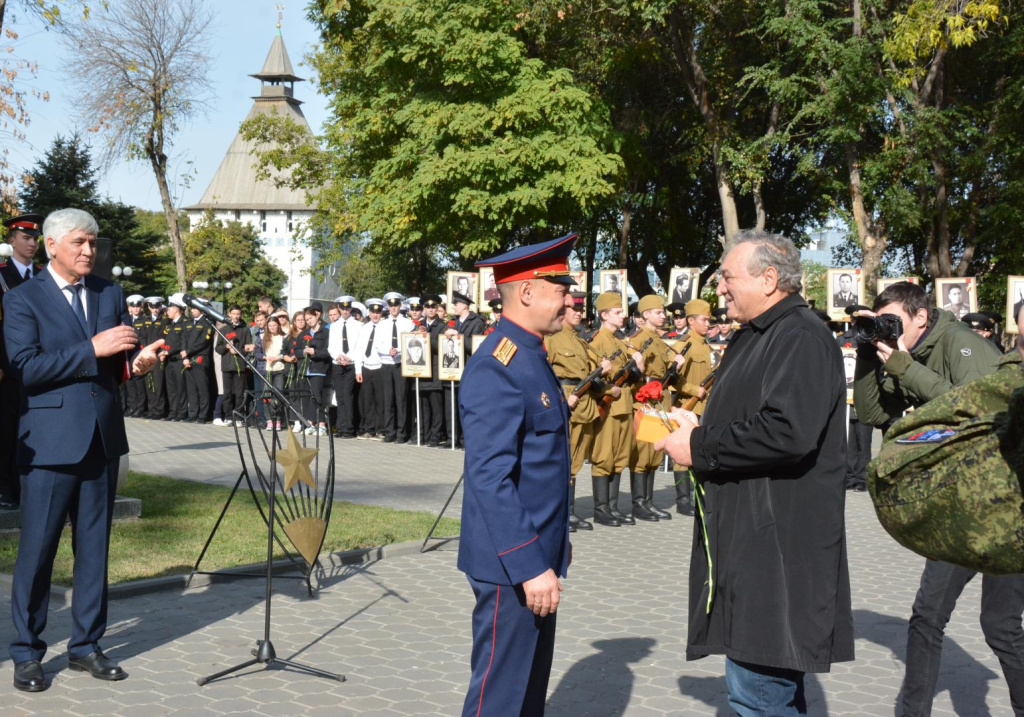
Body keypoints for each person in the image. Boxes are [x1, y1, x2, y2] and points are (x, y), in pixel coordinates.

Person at [657, 230, 854, 714]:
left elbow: (788, 431)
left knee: (759, 697)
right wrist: (700, 425)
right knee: (763, 691)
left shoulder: (800, 335)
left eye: (727, 277)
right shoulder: (761, 334)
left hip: (778, 549)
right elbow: (758, 415)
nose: (720, 289)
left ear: (769, 279)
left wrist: (700, 445)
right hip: (754, 540)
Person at [4, 208, 162, 692]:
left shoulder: (108, 292)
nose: (89, 252)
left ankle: (86, 646)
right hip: (50, 444)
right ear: (51, 245)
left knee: (94, 549)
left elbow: (111, 366)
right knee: (38, 551)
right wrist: (92, 348)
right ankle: (28, 652)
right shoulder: (22, 299)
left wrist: (136, 364)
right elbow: (26, 369)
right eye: (78, 243)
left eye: (93, 243)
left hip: (100, 438)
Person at [851, 281, 1020, 717]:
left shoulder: (964, 345)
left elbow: (980, 413)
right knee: (927, 618)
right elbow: (871, 415)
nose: (888, 329)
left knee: (1000, 628)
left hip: (998, 504)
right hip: (958, 505)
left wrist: (905, 367)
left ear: (921, 317)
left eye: (893, 321)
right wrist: (869, 354)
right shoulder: (900, 350)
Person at [458, 232, 577, 716]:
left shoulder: (531, 354)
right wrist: (530, 565)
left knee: (527, 694)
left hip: (536, 558)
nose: (569, 298)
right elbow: (490, 477)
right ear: (527, 291)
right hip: (512, 565)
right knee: (500, 697)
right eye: (561, 288)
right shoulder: (498, 364)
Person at [547, 290, 611, 532]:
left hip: (584, 404)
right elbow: (546, 372)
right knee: (563, 460)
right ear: (562, 310)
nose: (578, 313)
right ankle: (561, 513)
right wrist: (562, 398)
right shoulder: (552, 338)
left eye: (581, 309)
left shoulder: (579, 339)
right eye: (574, 308)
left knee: (574, 462)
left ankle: (570, 511)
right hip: (568, 401)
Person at [0, 213, 46, 511]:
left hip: (41, 366)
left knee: (37, 428)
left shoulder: (44, 275)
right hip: (7, 367)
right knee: (6, 428)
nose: (31, 243)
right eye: (26, 238)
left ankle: (30, 487)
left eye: (35, 239)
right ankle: (5, 488)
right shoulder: (1, 275)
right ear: (12, 240)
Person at [588, 292, 645, 527]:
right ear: (604, 315)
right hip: (608, 406)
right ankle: (601, 508)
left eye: (622, 312)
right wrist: (607, 389)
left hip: (624, 405)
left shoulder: (620, 342)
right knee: (604, 456)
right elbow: (592, 379)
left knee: (620, 456)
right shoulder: (597, 341)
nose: (622, 316)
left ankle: (612, 506)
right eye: (617, 312)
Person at [627, 294, 684, 522]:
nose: (663, 316)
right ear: (646, 314)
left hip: (659, 398)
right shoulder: (638, 340)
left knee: (654, 454)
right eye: (658, 312)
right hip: (645, 399)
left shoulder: (660, 340)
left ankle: (648, 502)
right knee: (643, 454)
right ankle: (639, 503)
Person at [669, 299, 713, 516]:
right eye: (704, 320)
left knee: (698, 452)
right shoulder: (683, 345)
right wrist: (695, 391)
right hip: (686, 406)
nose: (708, 324)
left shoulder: (706, 346)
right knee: (682, 453)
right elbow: (672, 379)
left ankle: (696, 496)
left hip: (704, 407)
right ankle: (682, 499)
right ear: (691, 321)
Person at [380, 291, 415, 443]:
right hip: (387, 363)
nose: (393, 308)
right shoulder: (382, 324)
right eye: (391, 305)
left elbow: (411, 343)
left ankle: (402, 433)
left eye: (396, 305)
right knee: (388, 399)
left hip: (401, 363)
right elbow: (378, 345)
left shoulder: (408, 323)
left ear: (400, 306)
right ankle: (389, 432)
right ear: (388, 307)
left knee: (401, 399)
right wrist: (388, 350)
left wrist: (398, 350)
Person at [327, 295, 361, 439]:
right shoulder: (334, 326)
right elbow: (331, 347)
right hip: (338, 364)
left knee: (348, 395)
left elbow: (359, 347)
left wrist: (350, 357)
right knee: (340, 396)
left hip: (351, 364)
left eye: (348, 308)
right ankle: (340, 427)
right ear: (339, 309)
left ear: (351, 308)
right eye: (343, 308)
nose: (345, 311)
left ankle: (349, 428)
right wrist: (338, 356)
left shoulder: (358, 325)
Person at [355, 298, 386, 439]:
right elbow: (359, 350)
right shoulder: (364, 328)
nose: (375, 315)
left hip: (380, 366)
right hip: (366, 366)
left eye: (378, 312)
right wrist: (358, 370)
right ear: (369, 312)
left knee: (380, 400)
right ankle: (369, 428)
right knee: (367, 400)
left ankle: (380, 429)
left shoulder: (385, 327)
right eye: (373, 312)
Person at [418, 294, 447, 446]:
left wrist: (426, 338)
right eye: (427, 307)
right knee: (424, 407)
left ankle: (435, 436)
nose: (430, 309)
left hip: (435, 372)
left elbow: (442, 347)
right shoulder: (418, 324)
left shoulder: (443, 326)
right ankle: (424, 434)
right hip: (421, 371)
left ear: (437, 309)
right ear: (424, 309)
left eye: (433, 307)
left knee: (436, 407)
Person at [215, 305, 251, 428]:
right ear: (229, 314)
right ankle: (228, 417)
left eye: (238, 314)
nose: (236, 316)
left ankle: (239, 416)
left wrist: (239, 351)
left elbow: (248, 348)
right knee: (227, 393)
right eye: (233, 314)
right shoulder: (224, 329)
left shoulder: (245, 329)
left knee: (239, 393)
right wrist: (226, 347)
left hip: (239, 366)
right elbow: (218, 348)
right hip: (226, 365)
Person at [182, 303, 213, 423]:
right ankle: (193, 413)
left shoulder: (206, 323)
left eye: (195, 308)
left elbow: (203, 341)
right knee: (191, 388)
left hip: (200, 358)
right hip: (188, 359)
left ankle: (203, 415)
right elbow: (184, 339)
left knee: (202, 388)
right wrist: (185, 355)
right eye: (192, 308)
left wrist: (187, 352)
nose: (192, 311)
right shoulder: (189, 323)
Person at [262, 314, 287, 431]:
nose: (272, 328)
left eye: (274, 325)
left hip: (279, 369)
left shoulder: (283, 337)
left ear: (278, 326)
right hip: (267, 369)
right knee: (267, 396)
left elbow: (286, 351)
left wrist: (277, 357)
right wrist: (264, 357)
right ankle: (269, 420)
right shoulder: (263, 337)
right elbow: (258, 352)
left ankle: (277, 420)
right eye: (270, 326)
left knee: (278, 395)